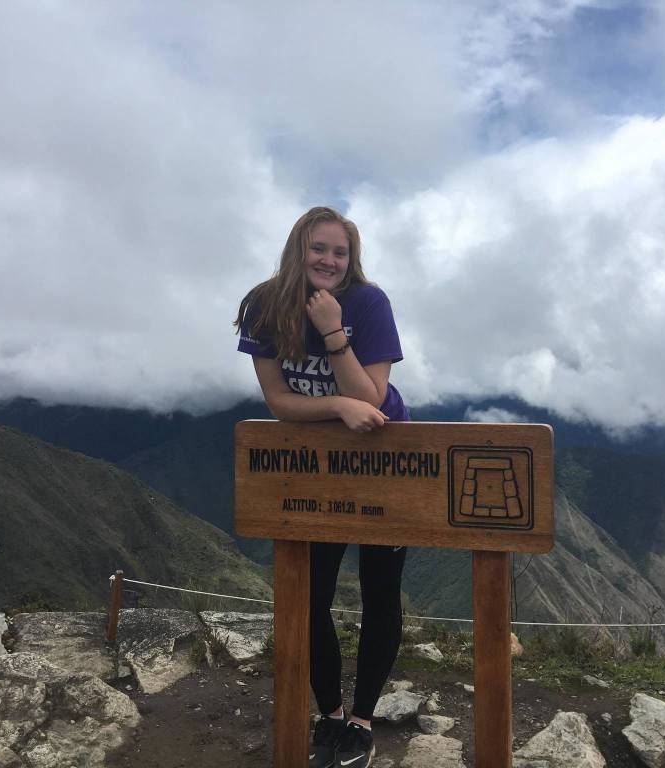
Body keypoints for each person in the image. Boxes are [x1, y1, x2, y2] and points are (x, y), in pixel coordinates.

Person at [235, 206, 408, 768]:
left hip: (386, 457)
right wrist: (334, 405)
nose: (329, 261)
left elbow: (375, 399)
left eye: (340, 252)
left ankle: (362, 720)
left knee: (381, 592)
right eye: (319, 249)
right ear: (297, 250)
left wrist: (334, 330)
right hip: (318, 460)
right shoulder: (264, 305)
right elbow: (280, 403)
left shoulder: (367, 303)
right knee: (313, 595)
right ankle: (330, 713)